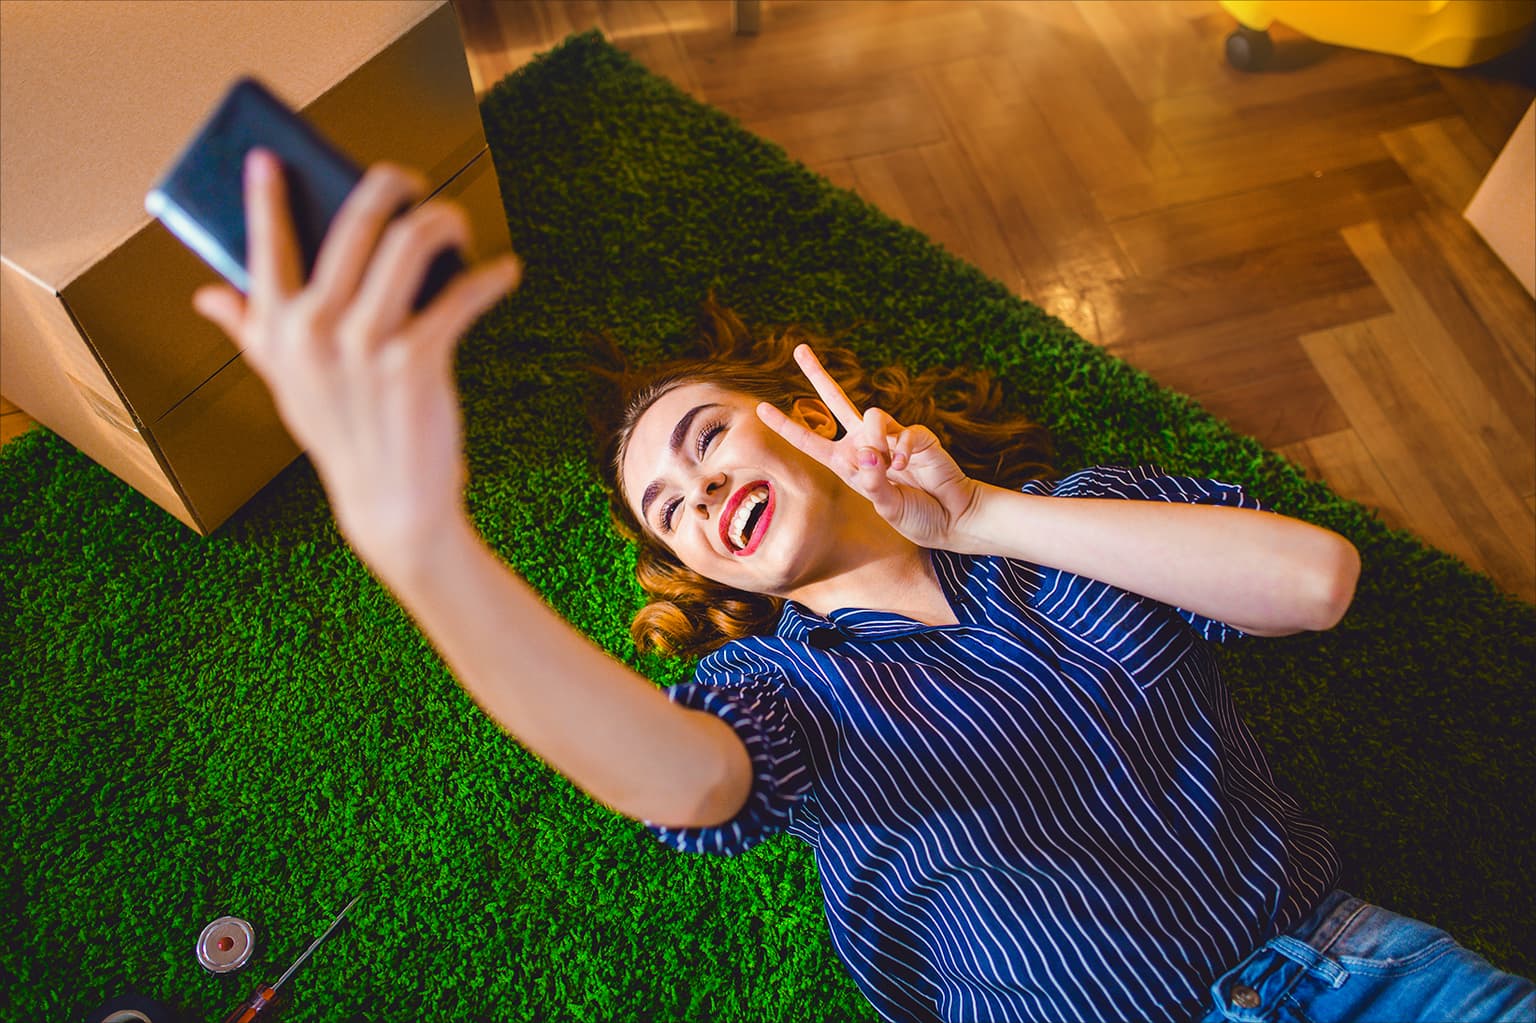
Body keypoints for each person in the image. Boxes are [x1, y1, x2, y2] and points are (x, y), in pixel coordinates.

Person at [193, 150, 1536, 1023]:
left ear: (801, 415)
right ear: (706, 563)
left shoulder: (1068, 523)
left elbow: (1315, 581)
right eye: (670, 507)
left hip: (1369, 972)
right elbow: (688, 784)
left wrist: (984, 514)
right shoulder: (774, 687)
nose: (699, 491)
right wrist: (416, 539)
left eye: (708, 436)